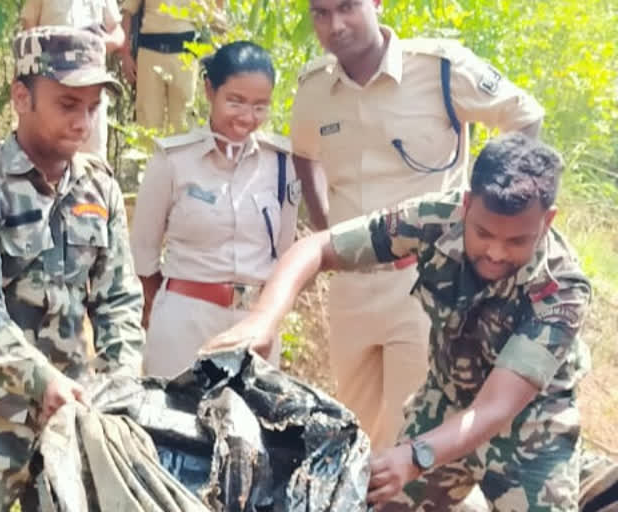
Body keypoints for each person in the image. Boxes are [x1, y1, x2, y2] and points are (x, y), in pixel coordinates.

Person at [203, 133, 591, 511]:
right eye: (483, 233)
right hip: (445, 405)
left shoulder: (562, 288)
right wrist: (263, 319)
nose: (495, 252)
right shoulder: (434, 219)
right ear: (468, 204)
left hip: (531, 430)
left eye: (516, 242)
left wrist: (416, 456)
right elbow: (318, 247)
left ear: (547, 219)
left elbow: (496, 406)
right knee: (381, 501)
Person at [290, 0, 546, 450]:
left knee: (412, 430)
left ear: (376, 4)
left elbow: (524, 116)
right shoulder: (314, 88)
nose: (335, 25)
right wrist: (324, 229)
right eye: (321, 13)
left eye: (347, 8)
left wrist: (492, 214)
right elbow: (303, 152)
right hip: (350, 286)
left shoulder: (441, 69)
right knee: (352, 428)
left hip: (425, 284)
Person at [0, 25, 144, 509]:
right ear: (22, 97)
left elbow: (119, 299)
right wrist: (42, 380)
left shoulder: (99, 188)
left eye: (92, 107)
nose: (83, 122)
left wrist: (122, 381)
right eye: (68, 105)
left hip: (68, 423)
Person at [130, 41, 299, 377]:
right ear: (209, 89)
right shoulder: (173, 161)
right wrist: (162, 308)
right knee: (176, 425)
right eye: (235, 101)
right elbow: (143, 253)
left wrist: (266, 318)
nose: (247, 117)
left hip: (253, 325)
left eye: (259, 106)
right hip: (184, 321)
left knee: (252, 426)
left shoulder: (281, 164)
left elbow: (285, 256)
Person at [19, 0, 125, 161]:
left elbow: (118, 33)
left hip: (92, 87)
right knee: (47, 159)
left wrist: (100, 43)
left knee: (94, 160)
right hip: (55, 87)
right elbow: (28, 35)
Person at [118, 0, 224, 133]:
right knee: (147, 121)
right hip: (149, 55)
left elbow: (220, 22)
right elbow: (127, 13)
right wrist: (125, 56)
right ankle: (148, 153)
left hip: (184, 58)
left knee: (183, 121)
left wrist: (203, 9)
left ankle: (183, 154)